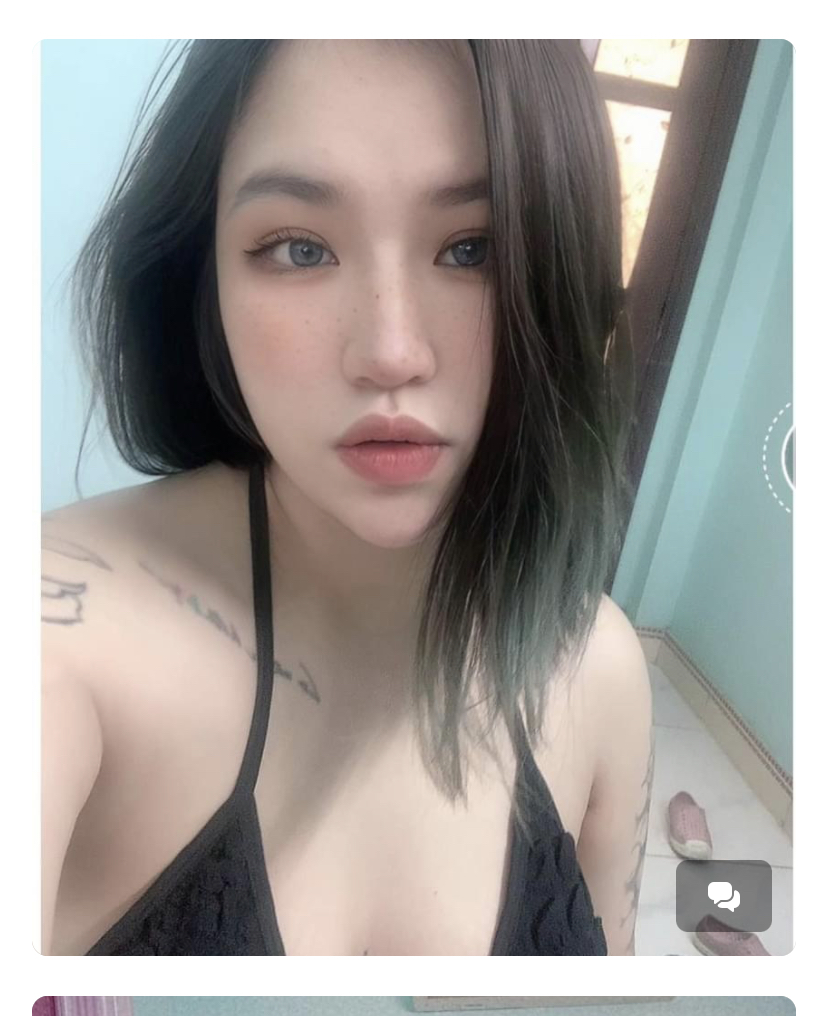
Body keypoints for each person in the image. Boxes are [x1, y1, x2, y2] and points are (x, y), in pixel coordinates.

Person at [41, 39, 653, 956]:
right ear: (201, 276)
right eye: (300, 249)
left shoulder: (597, 670)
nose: (391, 352)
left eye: (473, 249)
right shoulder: (59, 636)